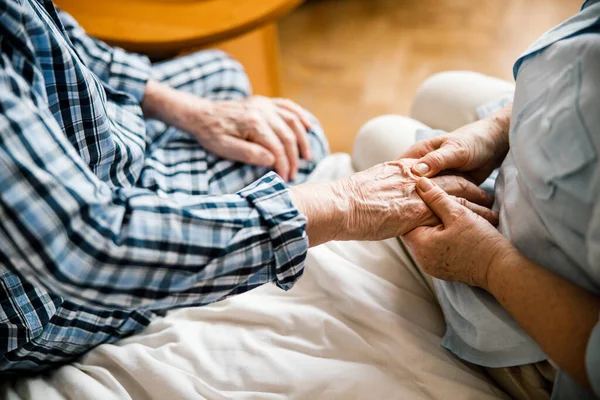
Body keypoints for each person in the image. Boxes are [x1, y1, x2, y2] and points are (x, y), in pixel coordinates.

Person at [0, 0, 496, 373]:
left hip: (89, 152)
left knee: (229, 78)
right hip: (44, 289)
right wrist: (345, 203)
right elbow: (94, 246)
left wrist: (193, 111)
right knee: (298, 143)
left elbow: (52, 36)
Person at [354, 1, 600, 398]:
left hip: (540, 314)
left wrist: (488, 263)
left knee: (379, 135)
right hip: (544, 163)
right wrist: (496, 129)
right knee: (437, 90)